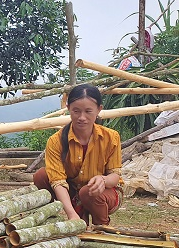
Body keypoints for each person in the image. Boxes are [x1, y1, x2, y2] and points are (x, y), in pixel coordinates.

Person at [33, 83, 123, 226]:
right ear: (68, 108)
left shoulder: (111, 137)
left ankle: (102, 226)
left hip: (103, 193)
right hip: (72, 190)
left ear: (99, 110)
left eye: (88, 111)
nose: (82, 117)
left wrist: (103, 180)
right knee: (42, 176)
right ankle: (51, 219)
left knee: (88, 191)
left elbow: (115, 175)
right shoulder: (56, 141)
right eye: (76, 111)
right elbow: (58, 182)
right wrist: (71, 215)